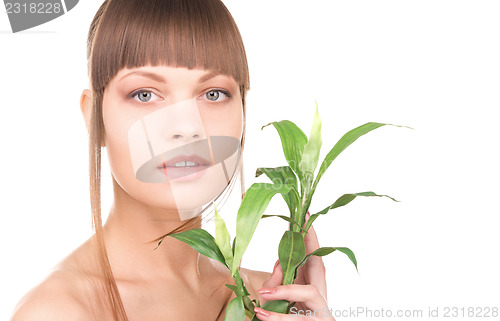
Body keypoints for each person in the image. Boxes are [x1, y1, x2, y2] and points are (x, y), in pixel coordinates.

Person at [10, 0, 335, 320]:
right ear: (94, 117)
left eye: (213, 94)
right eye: (144, 94)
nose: (186, 126)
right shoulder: (57, 312)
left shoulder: (269, 300)